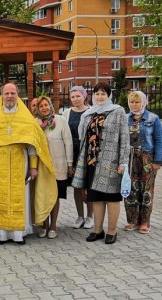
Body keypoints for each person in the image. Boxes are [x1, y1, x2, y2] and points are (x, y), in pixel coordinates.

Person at [0, 83, 58, 245]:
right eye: (7, 93)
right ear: (2, 96)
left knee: (22, 195)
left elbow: (32, 144)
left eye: (13, 93)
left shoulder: (25, 117)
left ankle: (19, 234)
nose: (10, 96)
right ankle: (1, 234)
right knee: (0, 196)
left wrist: (34, 167)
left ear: (17, 95)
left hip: (22, 160)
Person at [73, 82, 129, 245]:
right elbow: (83, 136)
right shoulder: (89, 113)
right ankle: (97, 229)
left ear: (109, 95)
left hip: (111, 161)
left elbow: (124, 138)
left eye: (103, 93)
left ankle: (112, 231)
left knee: (111, 197)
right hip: (92, 161)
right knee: (96, 197)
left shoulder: (118, 111)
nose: (99, 97)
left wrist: (123, 161)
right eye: (97, 94)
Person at [34, 96, 74, 239]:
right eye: (41, 106)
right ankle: (43, 225)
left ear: (50, 106)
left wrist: (70, 163)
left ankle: (53, 225)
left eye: (46, 105)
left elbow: (68, 142)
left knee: (54, 196)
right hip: (42, 166)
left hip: (58, 164)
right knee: (42, 195)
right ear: (38, 109)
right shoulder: (36, 123)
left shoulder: (60, 120)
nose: (44, 108)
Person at [124, 91, 162, 234]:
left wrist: (157, 161)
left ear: (143, 102)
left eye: (137, 102)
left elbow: (159, 140)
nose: (134, 105)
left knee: (146, 190)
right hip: (130, 158)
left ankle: (145, 221)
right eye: (132, 102)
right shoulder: (125, 118)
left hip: (146, 158)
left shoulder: (153, 118)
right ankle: (133, 220)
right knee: (131, 190)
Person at [63, 86, 94, 229]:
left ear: (84, 96)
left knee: (88, 185)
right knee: (76, 185)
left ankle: (90, 216)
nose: (75, 99)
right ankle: (80, 216)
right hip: (72, 151)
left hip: (87, 151)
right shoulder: (67, 113)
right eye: (73, 97)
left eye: (78, 96)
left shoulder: (91, 112)